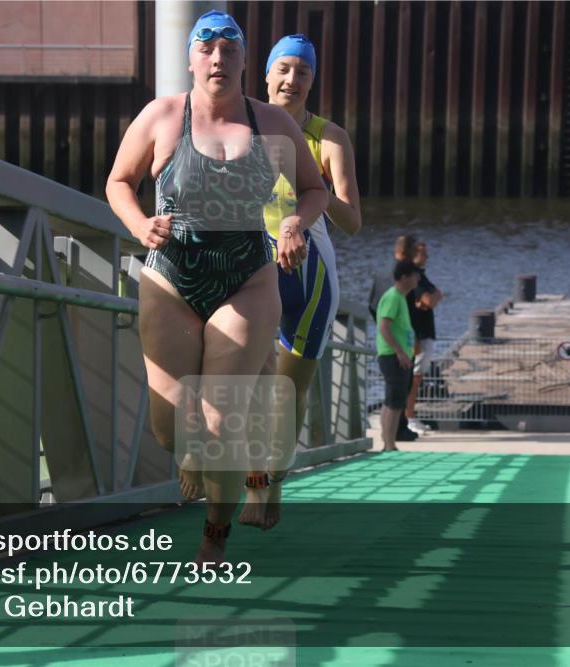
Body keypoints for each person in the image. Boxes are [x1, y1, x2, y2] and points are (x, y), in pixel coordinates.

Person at [105, 10, 328, 564]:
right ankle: (190, 456)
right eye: (206, 48)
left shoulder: (274, 124)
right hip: (171, 277)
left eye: (230, 49)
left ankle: (215, 534)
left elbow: (314, 189)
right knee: (170, 427)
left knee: (221, 418)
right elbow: (118, 182)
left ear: (245, 61)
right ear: (191, 59)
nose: (218, 59)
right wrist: (138, 225)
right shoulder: (160, 116)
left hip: (247, 277)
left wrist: (297, 222)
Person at [237, 34, 361, 531]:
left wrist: (315, 188)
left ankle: (275, 486)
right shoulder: (240, 124)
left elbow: (352, 222)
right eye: (283, 69)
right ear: (265, 75)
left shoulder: (329, 137)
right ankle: (254, 491)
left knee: (287, 396)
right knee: (248, 386)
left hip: (310, 277)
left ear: (313, 80)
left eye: (303, 72)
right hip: (251, 267)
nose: (291, 80)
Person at [367, 234, 419, 441]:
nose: (418, 279)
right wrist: (397, 349)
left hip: (398, 352)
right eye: (415, 275)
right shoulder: (393, 295)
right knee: (393, 401)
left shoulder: (397, 295)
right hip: (393, 354)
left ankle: (391, 440)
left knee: (396, 400)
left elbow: (372, 307)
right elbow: (383, 323)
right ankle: (389, 442)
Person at [405, 241, 443, 434]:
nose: (427, 258)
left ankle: (411, 415)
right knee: (414, 378)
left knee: (418, 378)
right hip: (418, 335)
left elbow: (438, 295)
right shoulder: (413, 276)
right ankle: (408, 418)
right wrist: (429, 300)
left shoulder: (422, 274)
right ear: (414, 255)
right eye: (423, 255)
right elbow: (430, 299)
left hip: (427, 334)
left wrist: (430, 299)